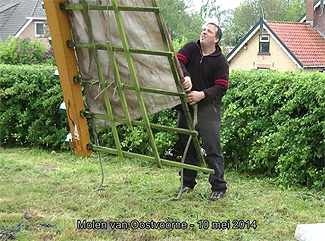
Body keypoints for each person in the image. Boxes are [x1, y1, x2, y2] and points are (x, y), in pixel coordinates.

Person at [176, 22, 229, 201]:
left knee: (212, 148)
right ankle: (187, 182)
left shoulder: (220, 61)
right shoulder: (191, 48)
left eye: (209, 31)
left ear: (216, 39)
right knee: (186, 145)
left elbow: (221, 87)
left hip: (209, 111)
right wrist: (186, 75)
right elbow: (177, 60)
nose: (204, 32)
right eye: (204, 29)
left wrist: (202, 95)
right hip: (187, 108)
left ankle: (219, 187)